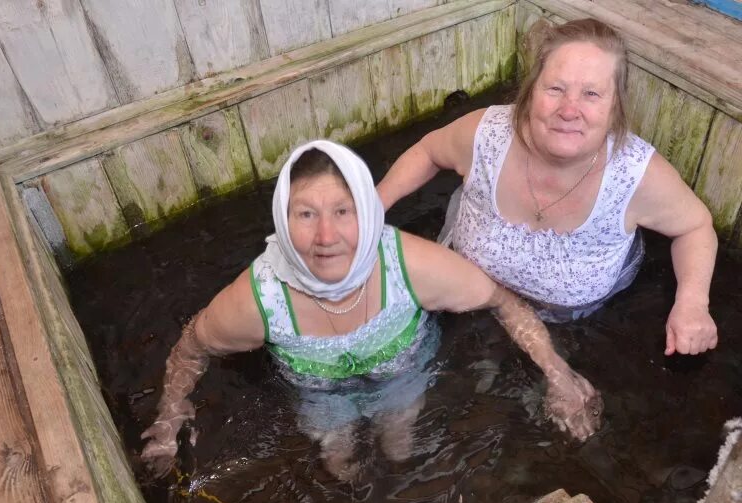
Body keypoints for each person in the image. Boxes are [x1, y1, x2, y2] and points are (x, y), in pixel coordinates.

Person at [140, 140, 602, 477]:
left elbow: (502, 301)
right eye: (305, 214)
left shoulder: (411, 266)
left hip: (405, 377)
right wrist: (169, 415)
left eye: (343, 211)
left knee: (400, 447)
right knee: (340, 464)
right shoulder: (260, 300)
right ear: (282, 218)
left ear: (368, 209)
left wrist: (558, 375)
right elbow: (193, 344)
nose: (326, 236)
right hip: (318, 398)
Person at [376, 18, 718, 355]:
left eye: (591, 94)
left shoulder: (636, 175)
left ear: (615, 107)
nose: (570, 109)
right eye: (555, 89)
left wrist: (691, 304)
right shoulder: (486, 135)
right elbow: (427, 152)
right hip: (465, 291)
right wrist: (374, 206)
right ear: (530, 92)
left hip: (571, 325)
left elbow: (695, 226)